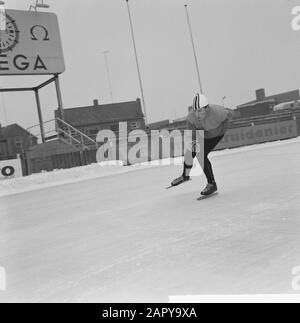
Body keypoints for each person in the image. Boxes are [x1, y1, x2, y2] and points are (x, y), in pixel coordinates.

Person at [171, 93, 234, 196]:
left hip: (217, 133)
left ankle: (212, 184)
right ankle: (185, 175)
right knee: (190, 151)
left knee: (201, 155)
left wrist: (223, 126)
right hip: (202, 132)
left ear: (207, 108)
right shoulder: (191, 118)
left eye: (200, 111)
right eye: (195, 111)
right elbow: (192, 137)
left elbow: (231, 113)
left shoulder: (219, 113)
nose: (197, 115)